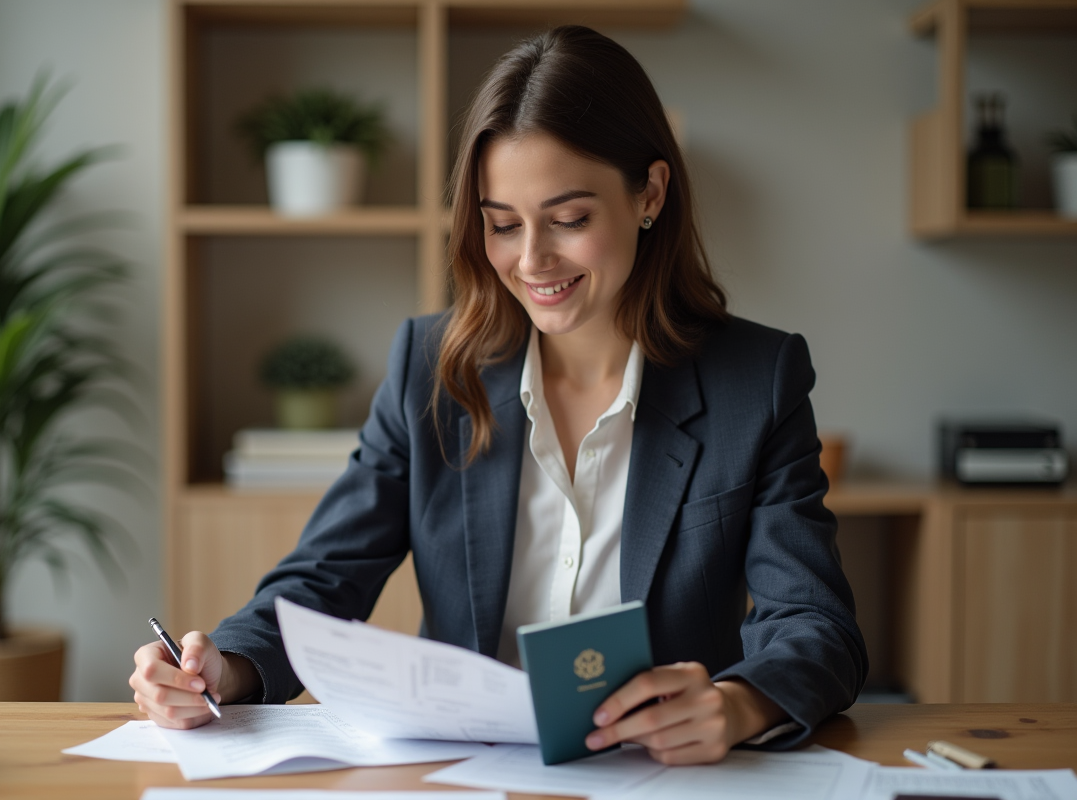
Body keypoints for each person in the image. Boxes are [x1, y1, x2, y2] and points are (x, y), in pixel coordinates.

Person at [130, 25, 867, 765]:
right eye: (501, 226)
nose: (532, 260)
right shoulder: (431, 367)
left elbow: (815, 623)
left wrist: (738, 704)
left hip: (657, 777)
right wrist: (224, 666)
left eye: (570, 220)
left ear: (650, 193)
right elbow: (324, 576)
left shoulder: (756, 379)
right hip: (467, 772)